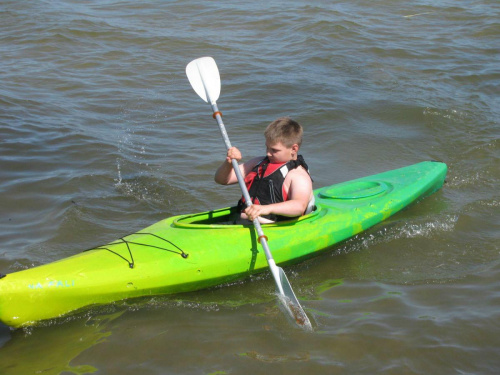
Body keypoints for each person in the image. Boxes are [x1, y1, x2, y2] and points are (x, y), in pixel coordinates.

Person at [214, 117, 314, 224]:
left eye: (274, 150)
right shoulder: (258, 162)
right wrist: (229, 162)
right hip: (244, 220)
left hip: (272, 226)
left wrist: (266, 208)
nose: (268, 153)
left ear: (294, 149)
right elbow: (222, 180)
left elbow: (299, 206)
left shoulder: (297, 175)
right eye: (267, 147)